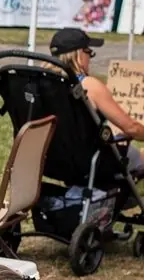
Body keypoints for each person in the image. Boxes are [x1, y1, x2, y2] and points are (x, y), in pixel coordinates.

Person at [50, 27, 144, 177]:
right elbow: (131, 128)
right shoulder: (88, 86)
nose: (90, 58)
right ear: (79, 54)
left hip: (52, 160)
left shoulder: (43, 84)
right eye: (89, 52)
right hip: (91, 162)